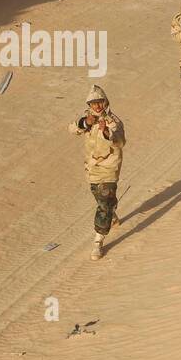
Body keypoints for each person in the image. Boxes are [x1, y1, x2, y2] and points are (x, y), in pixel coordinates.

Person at [67, 84, 126, 260]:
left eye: (99, 102)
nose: (97, 106)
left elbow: (121, 142)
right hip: (92, 168)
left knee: (103, 203)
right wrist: (85, 123)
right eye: (93, 104)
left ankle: (98, 241)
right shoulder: (88, 119)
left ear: (105, 102)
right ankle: (111, 213)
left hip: (109, 166)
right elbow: (71, 129)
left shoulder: (113, 121)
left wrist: (107, 132)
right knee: (102, 198)